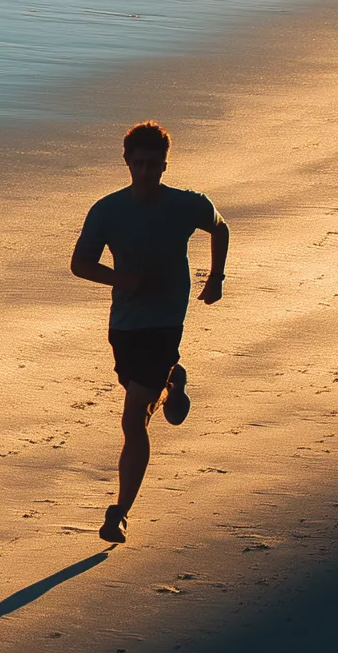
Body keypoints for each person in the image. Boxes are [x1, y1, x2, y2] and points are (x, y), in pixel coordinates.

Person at [69, 120, 229, 543]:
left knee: (132, 418)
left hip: (164, 321)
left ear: (164, 165)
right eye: (138, 164)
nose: (145, 172)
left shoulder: (185, 204)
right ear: (126, 162)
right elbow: (80, 264)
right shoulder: (107, 210)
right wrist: (121, 280)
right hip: (124, 325)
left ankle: (118, 512)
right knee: (139, 402)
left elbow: (220, 226)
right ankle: (173, 381)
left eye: (153, 165)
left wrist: (216, 278)